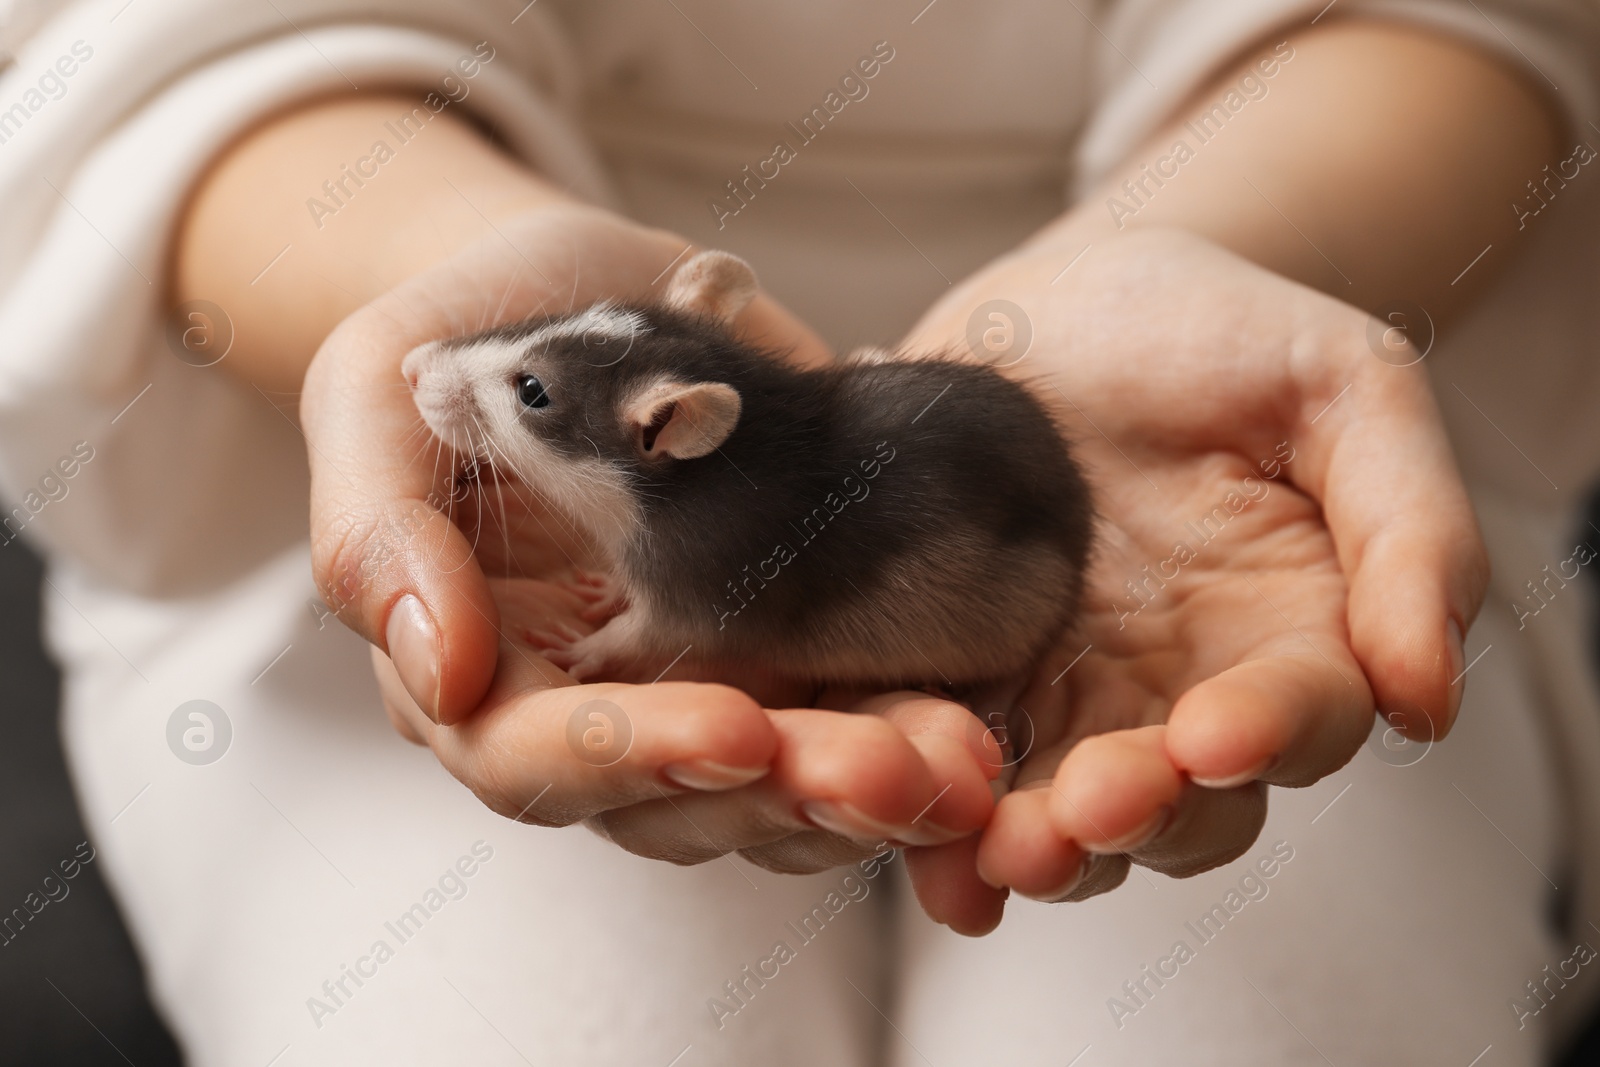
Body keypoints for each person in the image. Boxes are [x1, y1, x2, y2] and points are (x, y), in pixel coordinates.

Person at [3, 0, 1599, 1062]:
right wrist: (424, 272)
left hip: (1252, 440)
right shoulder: (658, 465)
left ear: (671, 434)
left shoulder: (689, 537)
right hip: (323, 280)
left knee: (1191, 1024)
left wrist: (1209, 249)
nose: (449, 387)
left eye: (523, 394)